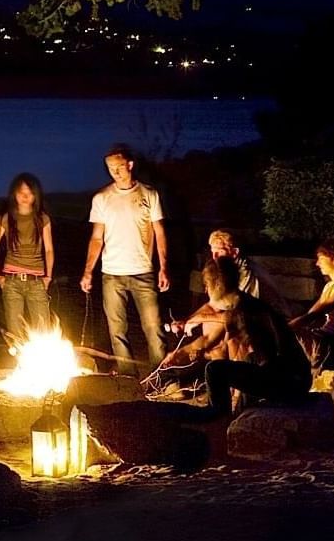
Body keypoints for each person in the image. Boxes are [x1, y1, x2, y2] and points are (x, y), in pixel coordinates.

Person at [161, 257, 312, 417]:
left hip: (291, 380)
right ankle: (234, 416)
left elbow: (265, 358)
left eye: (207, 285)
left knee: (215, 370)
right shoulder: (242, 305)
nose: (206, 291)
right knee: (237, 364)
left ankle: (218, 417)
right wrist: (178, 355)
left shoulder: (244, 312)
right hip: (293, 375)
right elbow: (208, 341)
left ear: (217, 285)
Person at [80, 144, 169, 374]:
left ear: (130, 165)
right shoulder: (101, 198)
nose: (115, 172)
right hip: (111, 273)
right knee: (117, 330)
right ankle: (128, 380)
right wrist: (88, 271)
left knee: (154, 328)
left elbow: (159, 232)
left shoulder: (149, 194)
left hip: (143, 270)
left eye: (119, 167)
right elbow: (97, 238)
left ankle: (159, 378)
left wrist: (163, 268)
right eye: (110, 168)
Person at [0, 172, 55, 343]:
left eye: (29, 192)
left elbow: (49, 250)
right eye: (21, 192)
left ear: (35, 195)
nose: (25, 196)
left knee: (43, 330)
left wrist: (48, 277)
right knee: (15, 333)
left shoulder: (42, 219)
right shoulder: (7, 218)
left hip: (36, 281)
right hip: (12, 282)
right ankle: (19, 365)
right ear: (14, 194)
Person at [290, 238, 334, 371]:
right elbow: (310, 314)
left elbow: (313, 316)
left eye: (321, 259)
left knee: (289, 336)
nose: (317, 263)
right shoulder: (330, 285)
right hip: (327, 341)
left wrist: (283, 329)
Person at [207, 230, 291, 316]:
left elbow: (238, 308)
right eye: (213, 252)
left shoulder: (247, 274)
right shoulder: (227, 269)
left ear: (235, 252)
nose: (214, 257)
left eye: (220, 252)